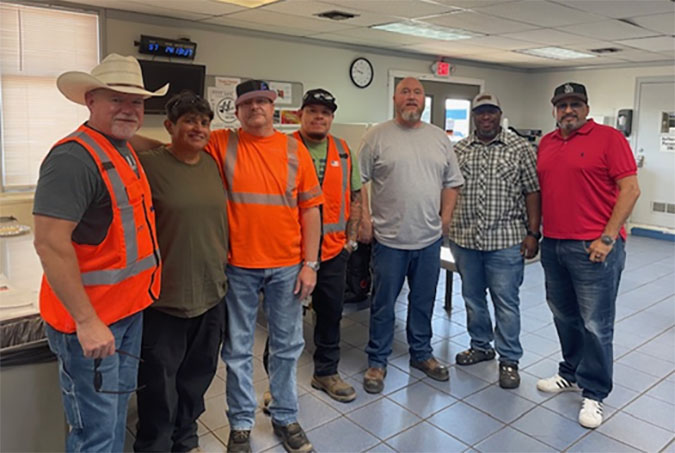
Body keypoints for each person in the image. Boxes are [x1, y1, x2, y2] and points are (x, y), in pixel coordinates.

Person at [32, 54, 166, 452]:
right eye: (116, 99)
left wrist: (178, 144)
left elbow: (139, 140)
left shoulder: (122, 148)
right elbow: (49, 243)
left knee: (113, 420)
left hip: (126, 314)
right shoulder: (73, 159)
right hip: (89, 324)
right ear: (90, 100)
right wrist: (87, 322)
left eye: (137, 102)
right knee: (94, 432)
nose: (128, 109)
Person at [205, 80, 323, 453]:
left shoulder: (294, 150)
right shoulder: (221, 143)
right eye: (248, 103)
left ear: (274, 108)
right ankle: (241, 423)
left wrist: (311, 264)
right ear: (237, 111)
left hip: (288, 266)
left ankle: (286, 416)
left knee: (288, 346)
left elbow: (311, 210)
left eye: (263, 101)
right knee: (237, 348)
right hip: (237, 266)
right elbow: (172, 144)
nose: (256, 107)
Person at [536, 82, 640, 429]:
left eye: (575, 104)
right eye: (562, 104)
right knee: (564, 315)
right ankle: (570, 371)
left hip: (594, 248)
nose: (569, 110)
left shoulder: (610, 139)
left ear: (586, 107)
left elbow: (630, 189)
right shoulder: (547, 143)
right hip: (554, 245)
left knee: (596, 323)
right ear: (554, 109)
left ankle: (594, 393)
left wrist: (608, 238)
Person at [133, 92, 228, 452]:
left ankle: (185, 437)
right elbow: (121, 138)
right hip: (164, 298)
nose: (198, 128)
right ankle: (153, 445)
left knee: (197, 376)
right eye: (188, 120)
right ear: (170, 126)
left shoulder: (212, 164)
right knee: (158, 383)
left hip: (211, 293)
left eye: (204, 122)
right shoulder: (149, 163)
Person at [358, 77, 464, 394]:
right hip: (389, 240)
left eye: (417, 93)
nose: (411, 97)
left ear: (424, 101)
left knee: (423, 302)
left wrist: (445, 219)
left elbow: (452, 182)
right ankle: (377, 361)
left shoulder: (439, 139)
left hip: (428, 240)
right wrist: (364, 218)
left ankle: (421, 354)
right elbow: (358, 180)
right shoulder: (376, 136)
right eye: (405, 91)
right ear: (395, 98)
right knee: (383, 303)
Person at [261, 88, 362, 404]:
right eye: (313, 111)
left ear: (331, 118)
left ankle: (326, 372)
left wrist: (351, 239)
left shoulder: (344, 150)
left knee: (330, 315)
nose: (319, 117)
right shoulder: (281, 147)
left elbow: (356, 197)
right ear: (300, 115)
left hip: (332, 252)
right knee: (283, 320)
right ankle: (276, 386)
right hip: (291, 253)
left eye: (326, 113)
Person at [448, 93, 541, 389]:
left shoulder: (520, 148)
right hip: (465, 239)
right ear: (474, 116)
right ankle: (481, 346)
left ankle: (509, 359)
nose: (485, 117)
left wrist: (533, 232)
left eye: (491, 112)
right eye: (480, 112)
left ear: (500, 114)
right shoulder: (458, 149)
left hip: (506, 240)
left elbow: (532, 192)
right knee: (473, 298)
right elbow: (448, 189)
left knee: (506, 302)